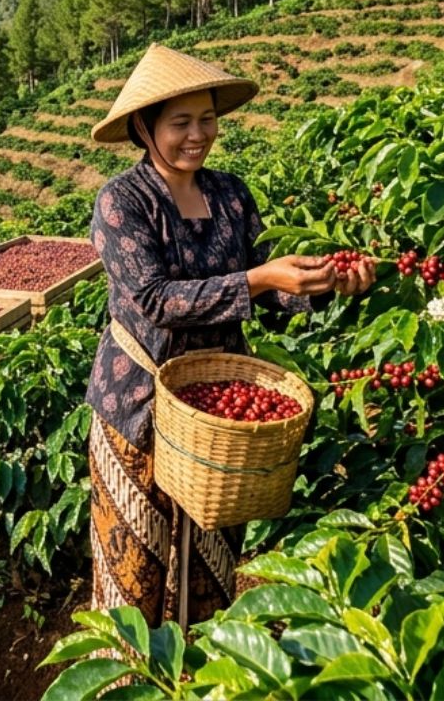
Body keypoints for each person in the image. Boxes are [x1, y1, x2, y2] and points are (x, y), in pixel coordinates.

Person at [85, 44, 373, 628]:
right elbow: (154, 300)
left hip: (219, 416)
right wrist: (259, 277)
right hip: (137, 403)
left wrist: (324, 284)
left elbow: (273, 294)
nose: (198, 135)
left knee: (210, 567)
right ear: (144, 127)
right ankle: (130, 682)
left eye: (208, 119)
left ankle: (200, 675)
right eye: (180, 123)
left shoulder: (232, 194)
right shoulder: (123, 201)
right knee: (132, 569)